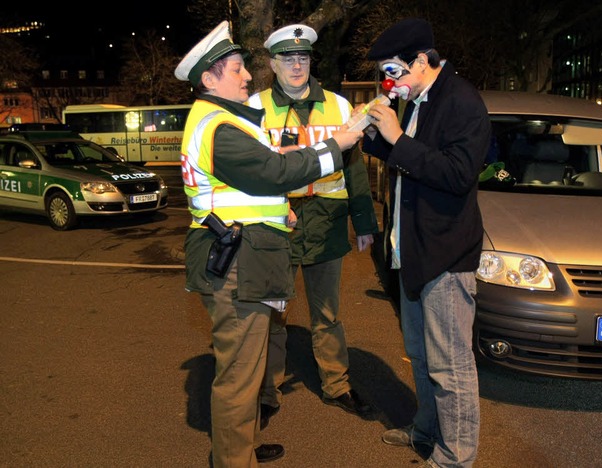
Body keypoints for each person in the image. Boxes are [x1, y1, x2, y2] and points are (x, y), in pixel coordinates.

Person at [174, 21, 362, 468]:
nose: (246, 77)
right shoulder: (220, 126)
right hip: (237, 262)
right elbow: (273, 172)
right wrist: (334, 146)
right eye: (237, 68)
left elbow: (247, 187)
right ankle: (233, 461)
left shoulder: (220, 120)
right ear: (209, 78)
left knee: (247, 365)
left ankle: (238, 451)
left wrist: (281, 210)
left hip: (242, 252)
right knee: (239, 376)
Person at [362, 18, 492, 468]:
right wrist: (374, 134)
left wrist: (396, 137)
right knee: (421, 356)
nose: (388, 80)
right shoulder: (418, 100)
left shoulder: (461, 101)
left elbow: (457, 175)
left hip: (445, 256)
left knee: (451, 367)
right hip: (412, 250)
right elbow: (410, 161)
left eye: (393, 70)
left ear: (422, 61)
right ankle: (426, 432)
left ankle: (455, 458)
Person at [246, 24, 379, 427]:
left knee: (327, 313)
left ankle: (337, 385)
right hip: (276, 224)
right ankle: (268, 391)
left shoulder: (339, 107)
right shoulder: (254, 107)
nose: (297, 65)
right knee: (273, 312)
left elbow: (354, 166)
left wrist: (364, 220)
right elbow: (249, 170)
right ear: (273, 64)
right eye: (288, 58)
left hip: (327, 221)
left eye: (303, 57)